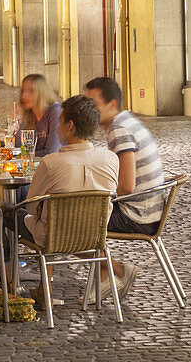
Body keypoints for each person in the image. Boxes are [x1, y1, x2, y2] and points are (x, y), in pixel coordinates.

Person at [18, 95, 119, 310]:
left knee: (11, 214)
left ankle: (10, 284)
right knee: (50, 218)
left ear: (70, 125)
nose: (57, 128)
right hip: (93, 234)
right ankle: (43, 288)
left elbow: (30, 207)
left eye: (60, 121)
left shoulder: (51, 163)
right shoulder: (111, 159)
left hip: (52, 235)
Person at [84, 76, 165, 300]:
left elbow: (126, 186)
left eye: (94, 104)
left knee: (73, 222)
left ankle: (117, 270)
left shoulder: (119, 129)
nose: (90, 110)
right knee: (84, 215)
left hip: (138, 215)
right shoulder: (128, 121)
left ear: (112, 104)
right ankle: (105, 277)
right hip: (152, 210)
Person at [17, 74, 62, 156]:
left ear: (42, 93)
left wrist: (25, 155)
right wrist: (20, 120)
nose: (23, 96)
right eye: (23, 91)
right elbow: (18, 146)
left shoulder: (55, 111)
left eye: (30, 91)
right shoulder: (30, 113)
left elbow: (52, 152)